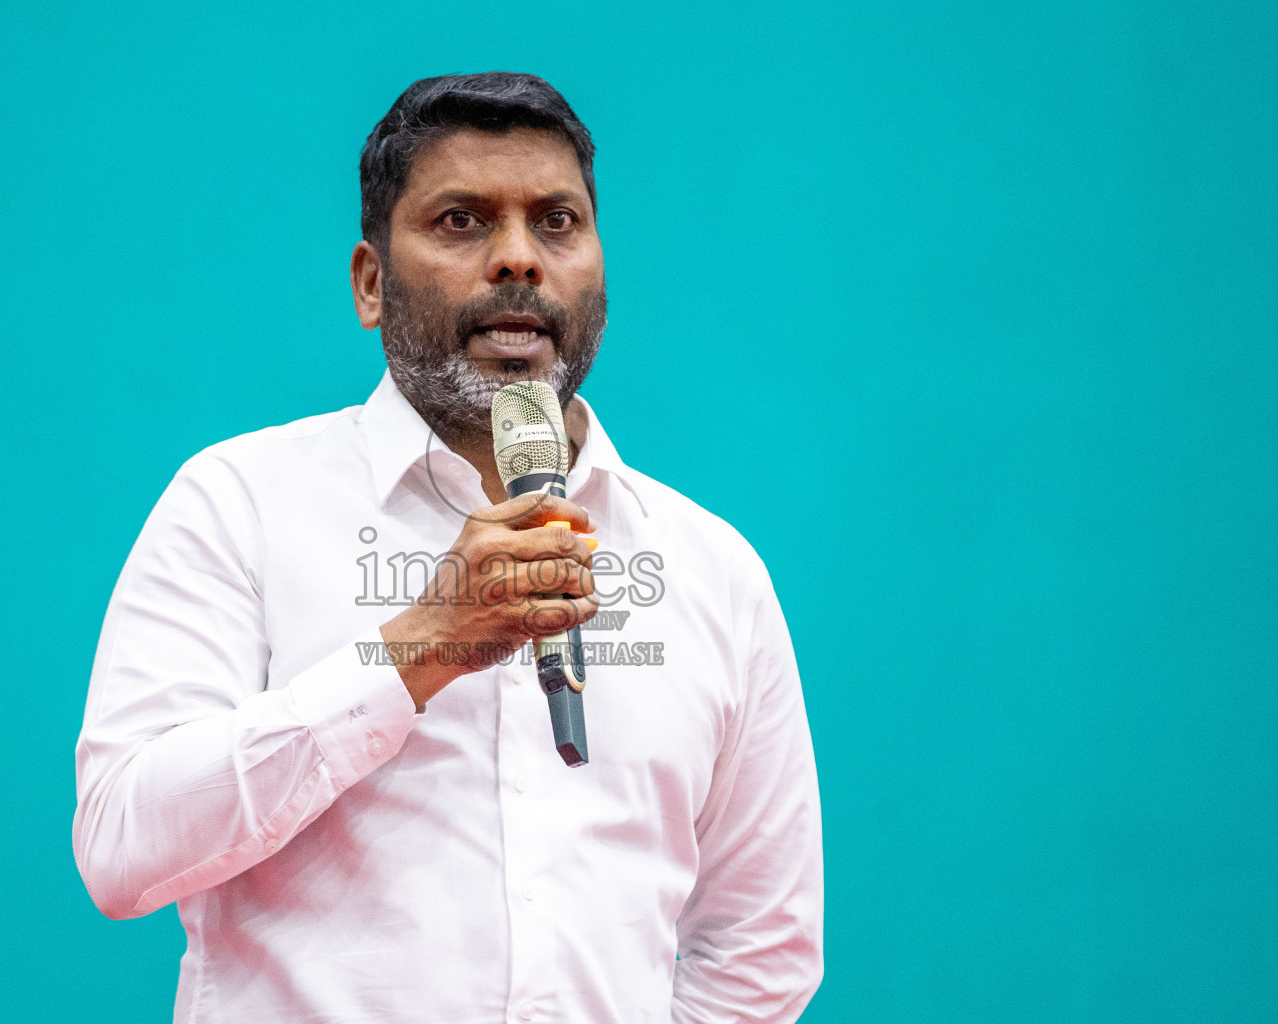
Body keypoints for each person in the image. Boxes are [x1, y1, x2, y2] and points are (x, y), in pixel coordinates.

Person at [74, 71, 823, 1023]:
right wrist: (417, 650)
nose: (519, 259)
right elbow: (122, 847)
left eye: (556, 222)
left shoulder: (715, 571)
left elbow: (760, 951)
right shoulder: (239, 505)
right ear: (371, 283)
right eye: (462, 221)